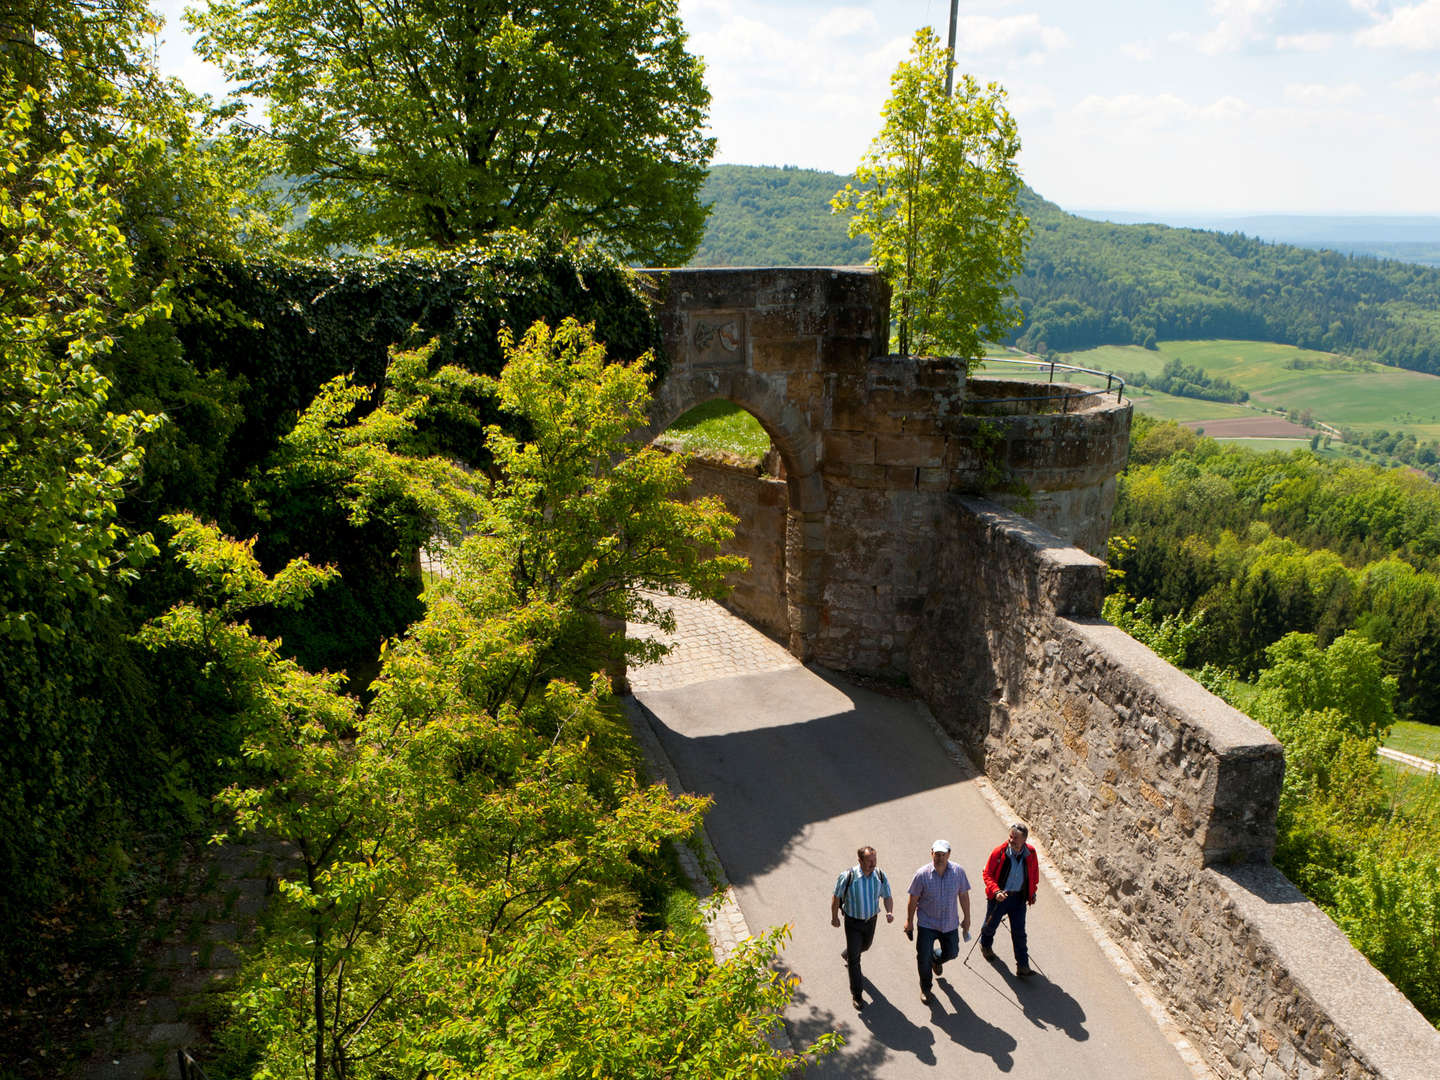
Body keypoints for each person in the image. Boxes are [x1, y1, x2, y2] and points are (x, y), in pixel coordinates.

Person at [904, 839, 971, 1004]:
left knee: (952, 952)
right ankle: (926, 988)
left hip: (949, 924)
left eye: (943, 854)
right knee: (922, 957)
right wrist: (909, 921)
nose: (940, 858)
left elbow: (963, 895)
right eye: (937, 854)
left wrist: (967, 918)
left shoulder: (958, 872)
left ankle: (936, 958)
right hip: (927, 923)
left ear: (949, 854)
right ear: (931, 853)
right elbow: (913, 899)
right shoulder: (922, 875)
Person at [831, 845, 894, 1010]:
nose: (873, 864)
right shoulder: (848, 877)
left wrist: (889, 911)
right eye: (869, 861)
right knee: (855, 961)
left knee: (865, 946)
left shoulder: (879, 875)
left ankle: (849, 953)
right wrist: (834, 917)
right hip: (853, 922)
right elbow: (836, 897)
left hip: (871, 921)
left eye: (874, 860)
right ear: (860, 861)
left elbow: (887, 896)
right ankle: (857, 994)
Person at [979, 822, 1040, 977]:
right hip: (1000, 898)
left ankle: (1023, 966)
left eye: (1015, 838)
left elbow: (1034, 874)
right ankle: (985, 945)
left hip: (1019, 899)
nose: (1011, 840)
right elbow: (987, 874)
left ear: (1024, 840)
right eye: (1011, 836)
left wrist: (1032, 892)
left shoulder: (1031, 853)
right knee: (990, 925)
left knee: (1019, 932)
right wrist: (996, 891)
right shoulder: (999, 852)